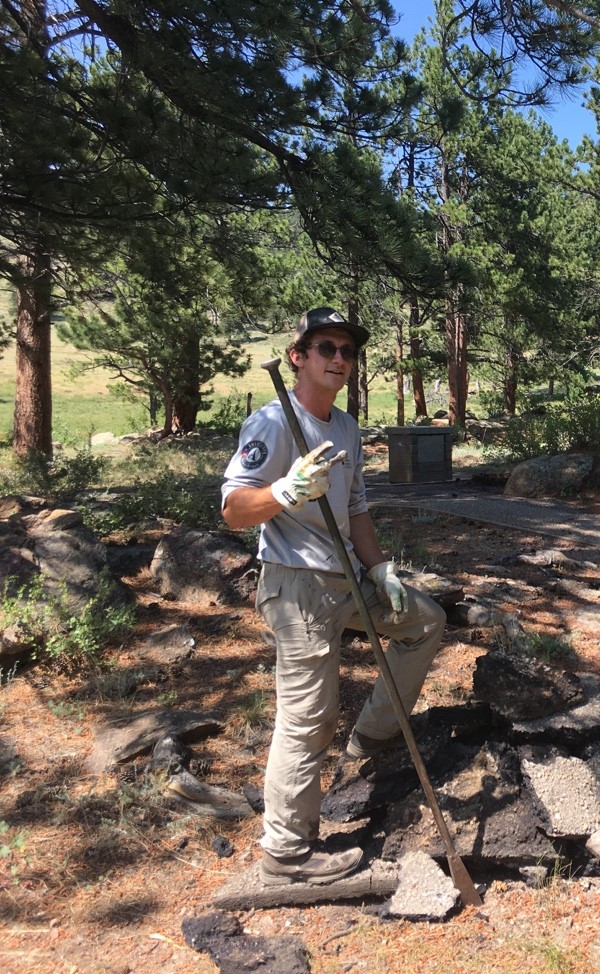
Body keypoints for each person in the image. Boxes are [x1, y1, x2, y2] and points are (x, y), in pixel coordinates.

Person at [221, 307, 446, 886]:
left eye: (346, 350)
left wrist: (382, 570)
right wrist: (285, 489)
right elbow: (233, 510)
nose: (339, 359)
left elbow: (355, 508)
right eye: (325, 348)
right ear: (297, 356)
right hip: (297, 586)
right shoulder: (273, 423)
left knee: (425, 621)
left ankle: (372, 735)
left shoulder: (344, 427)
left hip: (349, 578)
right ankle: (287, 853)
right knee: (307, 718)